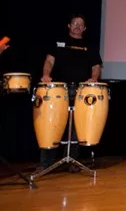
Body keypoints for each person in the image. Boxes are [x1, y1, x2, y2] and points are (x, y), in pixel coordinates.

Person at [36, 14, 103, 173]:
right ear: (69, 25)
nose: (77, 26)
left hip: (81, 90)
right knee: (51, 123)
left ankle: (74, 161)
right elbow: (49, 61)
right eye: (75, 23)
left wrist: (93, 79)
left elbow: (96, 66)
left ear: (84, 28)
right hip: (58, 90)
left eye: (81, 24)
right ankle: (45, 163)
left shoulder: (90, 46)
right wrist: (46, 74)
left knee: (77, 126)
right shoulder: (58, 42)